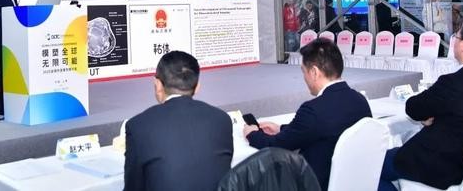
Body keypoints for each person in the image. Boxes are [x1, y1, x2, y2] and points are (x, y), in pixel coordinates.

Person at [243, 38, 371, 190]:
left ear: (314, 72)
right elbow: (320, 130)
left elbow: (275, 146)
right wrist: (281, 129)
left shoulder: (313, 110)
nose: (304, 78)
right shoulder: (360, 100)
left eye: (303, 71)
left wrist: (252, 134)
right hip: (353, 182)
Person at [378, 18, 463, 191]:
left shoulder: (453, 83)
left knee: (369, 165)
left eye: (456, 37)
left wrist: (429, 115)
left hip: (439, 165)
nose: (453, 41)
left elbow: (413, 107)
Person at [124, 51, 233, 191]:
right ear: (197, 86)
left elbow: (133, 186)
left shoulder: (139, 126)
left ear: (158, 85)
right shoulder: (221, 119)